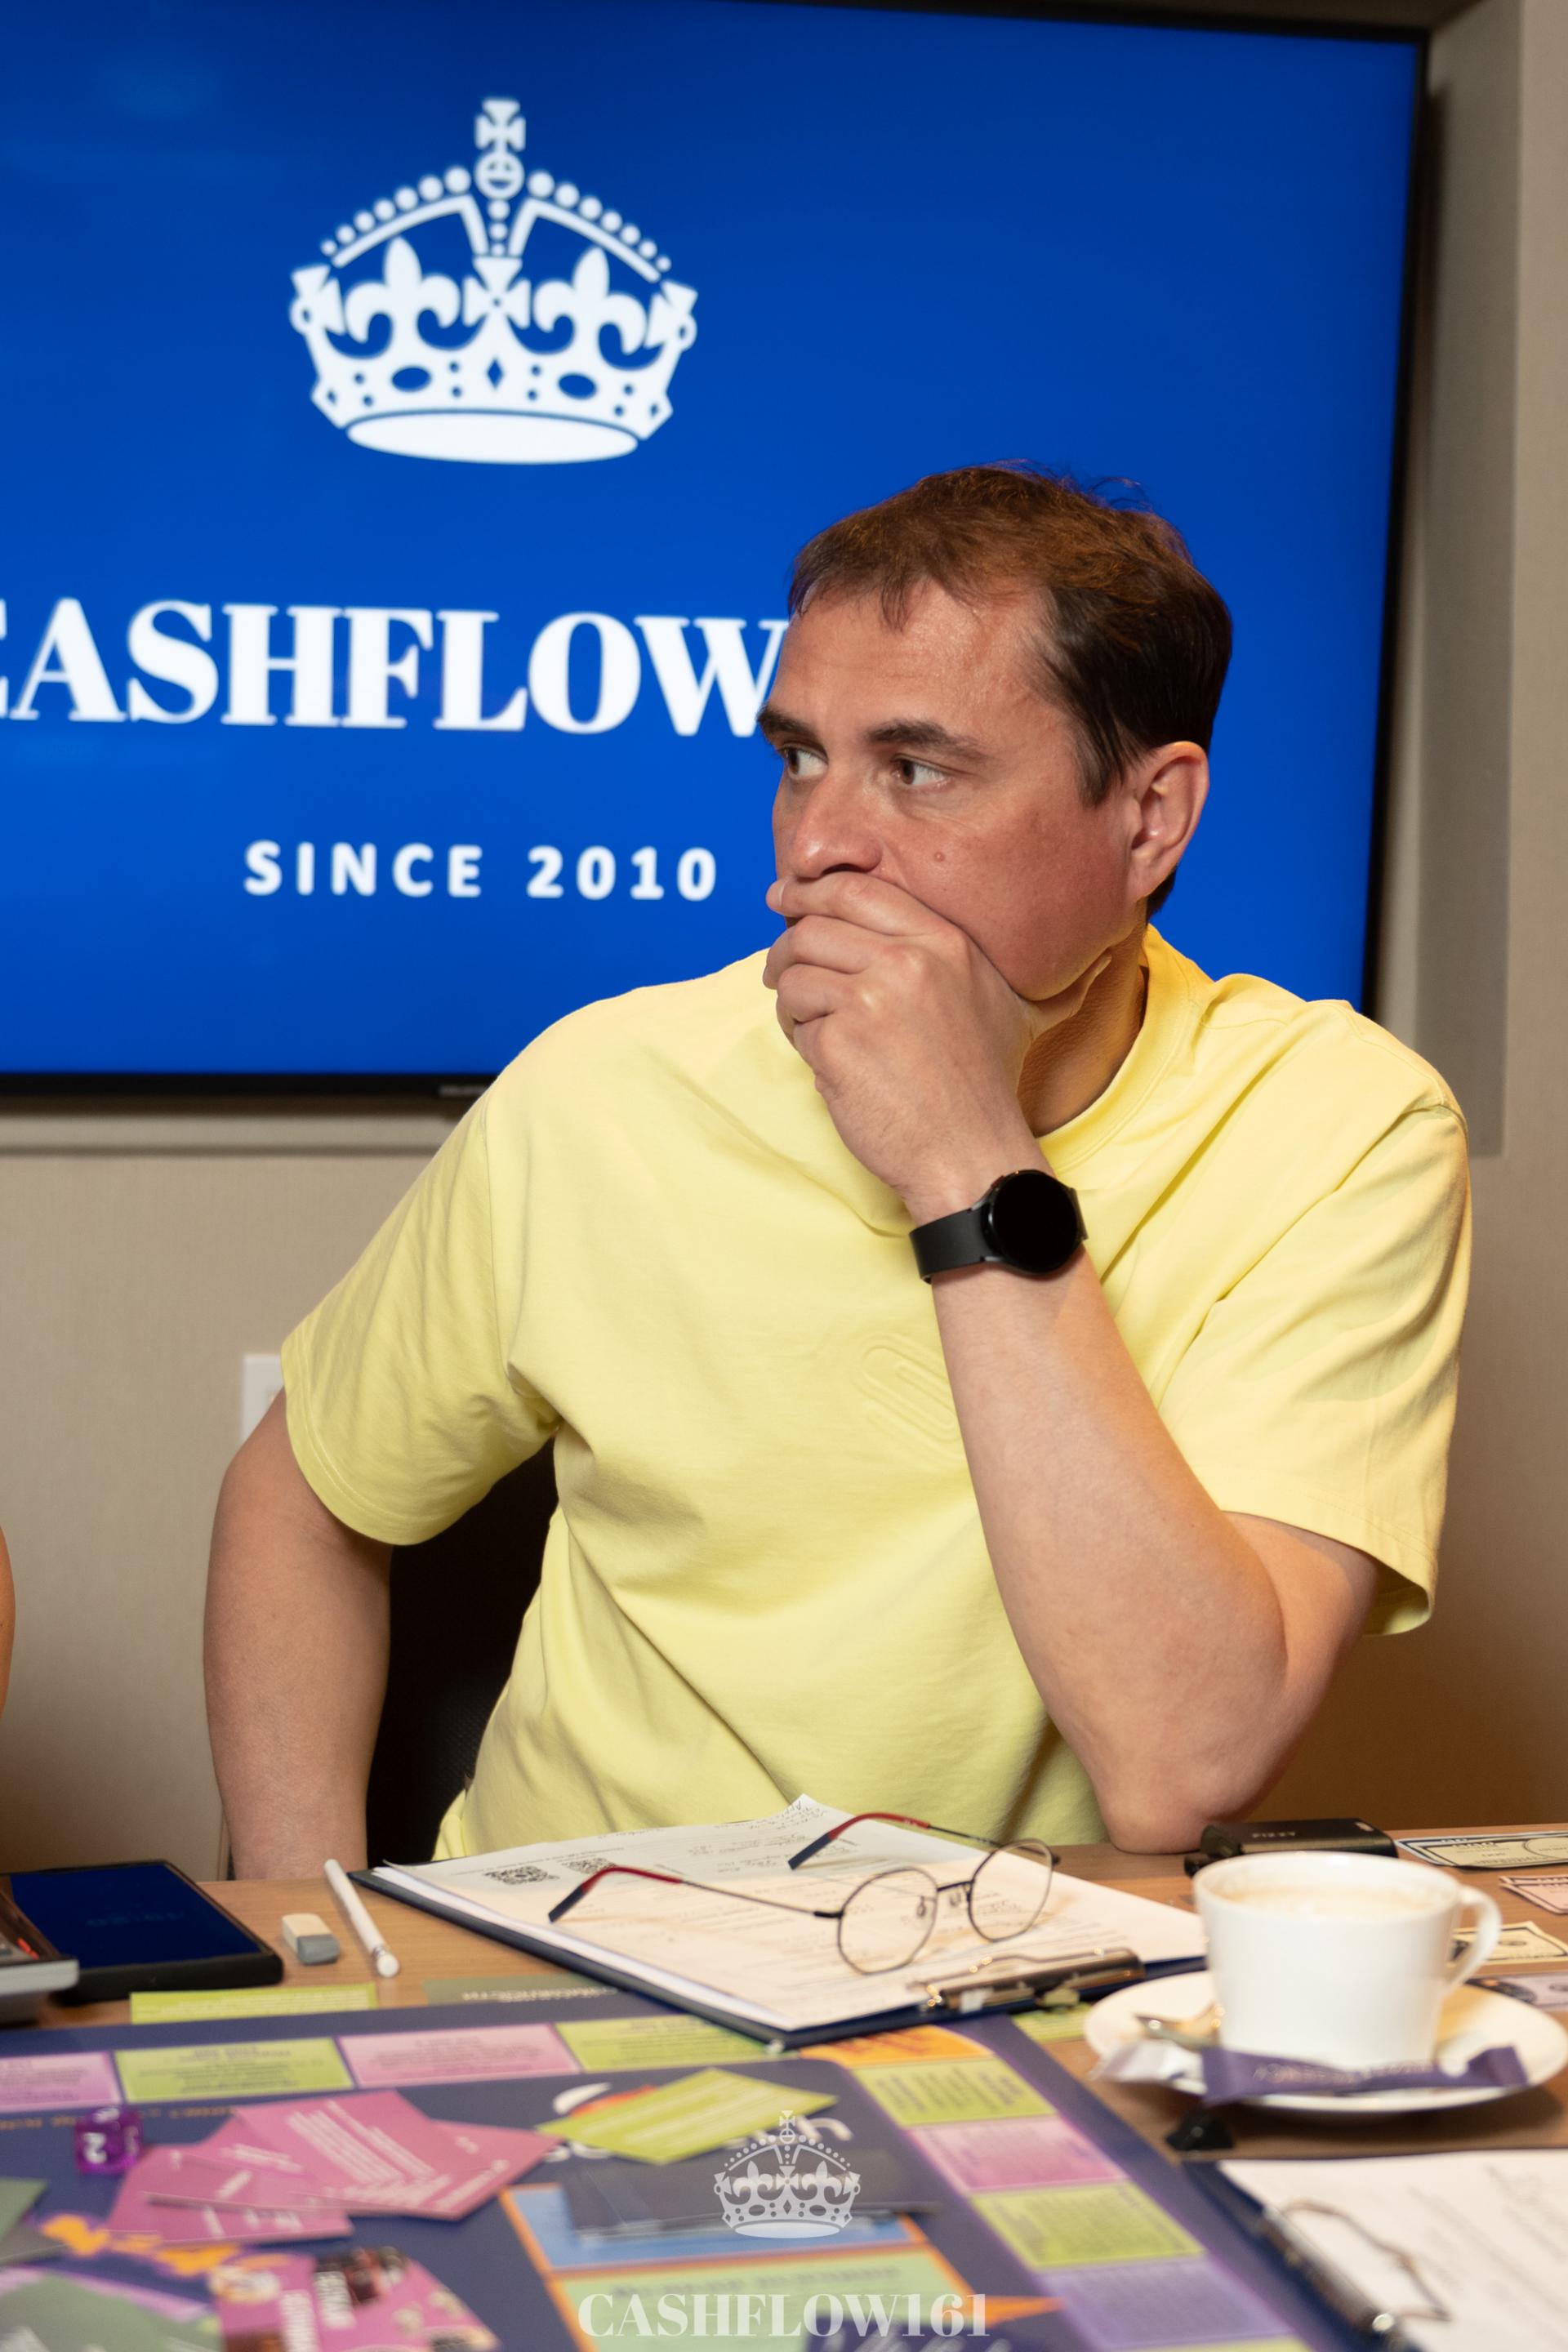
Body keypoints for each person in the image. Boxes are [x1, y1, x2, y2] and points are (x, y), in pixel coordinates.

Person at [205, 465, 1470, 1874]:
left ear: (1150, 819)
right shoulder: (602, 1085)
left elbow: (1183, 1769)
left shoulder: (1341, 1129)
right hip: (573, 1944)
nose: (813, 848)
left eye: (917, 771)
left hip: (1022, 1970)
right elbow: (299, 1496)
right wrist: (309, 1937)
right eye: (801, 757)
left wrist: (965, 1156)